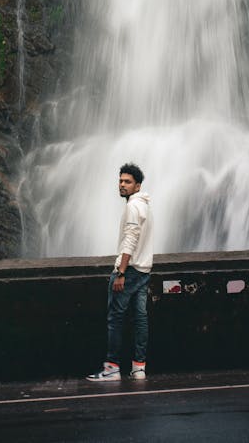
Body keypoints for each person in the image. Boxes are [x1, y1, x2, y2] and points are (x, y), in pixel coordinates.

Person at [87, 162, 153, 381]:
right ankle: (139, 368)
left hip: (130, 271)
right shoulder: (145, 206)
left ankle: (112, 368)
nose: (122, 185)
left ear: (137, 186)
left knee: (115, 319)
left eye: (127, 182)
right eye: (120, 181)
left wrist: (121, 272)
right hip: (144, 271)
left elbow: (131, 239)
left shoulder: (133, 206)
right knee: (140, 319)